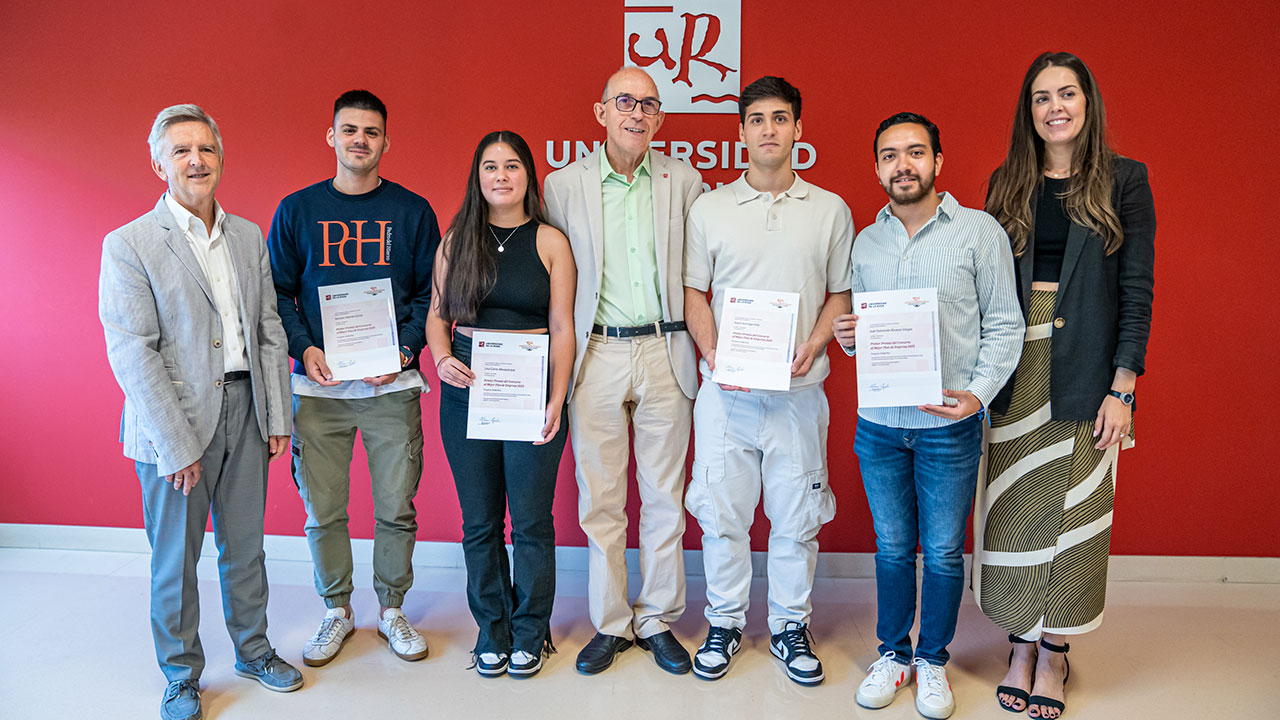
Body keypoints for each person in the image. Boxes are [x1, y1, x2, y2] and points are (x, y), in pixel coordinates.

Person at [100, 104, 303, 720]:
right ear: (158, 161)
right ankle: (181, 675)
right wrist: (176, 442)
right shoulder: (129, 244)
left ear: (221, 158)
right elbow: (133, 353)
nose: (196, 160)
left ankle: (253, 650)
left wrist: (277, 416)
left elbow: (269, 328)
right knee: (175, 560)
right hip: (175, 423)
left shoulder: (246, 236)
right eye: (182, 150)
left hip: (247, 410)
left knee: (246, 548)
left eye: (207, 149)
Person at [976, 51, 1156, 719]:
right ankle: (1019, 644)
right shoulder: (1008, 182)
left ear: (1088, 102)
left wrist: (1124, 385)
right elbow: (985, 287)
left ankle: (1054, 654)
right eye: (1041, 97)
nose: (1055, 106)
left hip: (1088, 367)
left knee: (1077, 516)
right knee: (1016, 514)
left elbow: (1137, 289)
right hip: (1015, 369)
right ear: (1028, 112)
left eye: (1067, 93)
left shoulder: (1126, 181)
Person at [834, 112, 1024, 719]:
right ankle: (894, 654)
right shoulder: (866, 241)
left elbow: (1004, 325)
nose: (903, 165)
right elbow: (867, 335)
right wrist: (848, 336)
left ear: (939, 162)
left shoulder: (978, 233)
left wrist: (977, 395)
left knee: (942, 552)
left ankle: (934, 661)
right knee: (892, 548)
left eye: (916, 153)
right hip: (881, 425)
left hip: (949, 426)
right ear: (878, 169)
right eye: (890, 156)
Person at [682, 76, 850, 685]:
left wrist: (815, 341)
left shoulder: (830, 209)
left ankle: (788, 625)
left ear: (798, 129)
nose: (769, 130)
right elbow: (694, 292)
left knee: (795, 517)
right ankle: (723, 621)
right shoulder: (711, 208)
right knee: (722, 515)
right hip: (725, 396)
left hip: (799, 396)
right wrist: (716, 352)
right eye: (757, 120)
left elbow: (840, 294)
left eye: (781, 119)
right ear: (743, 131)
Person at [268, 90, 440, 666]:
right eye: (349, 130)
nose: (359, 140)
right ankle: (336, 610)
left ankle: (392, 608)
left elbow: (428, 296)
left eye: (371, 132)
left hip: (390, 387)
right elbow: (278, 295)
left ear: (386, 141)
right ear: (331, 137)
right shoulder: (297, 210)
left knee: (396, 506)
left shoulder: (413, 212)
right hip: (319, 390)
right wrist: (305, 346)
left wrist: (406, 349)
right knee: (324, 509)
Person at [543, 66, 703, 676]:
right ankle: (611, 623)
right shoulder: (563, 186)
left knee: (666, 495)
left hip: (667, 350)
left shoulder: (684, 181)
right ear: (601, 111)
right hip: (598, 354)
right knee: (601, 500)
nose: (637, 113)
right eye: (625, 102)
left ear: (660, 120)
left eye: (650, 106)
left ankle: (657, 618)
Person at [425, 131, 576, 678]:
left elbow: (562, 327)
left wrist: (558, 398)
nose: (501, 176)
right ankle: (492, 626)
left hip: (533, 387)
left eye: (512, 166)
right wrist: (441, 359)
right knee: (480, 521)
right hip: (467, 389)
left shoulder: (551, 242)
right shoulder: (456, 239)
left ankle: (531, 631)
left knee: (532, 520)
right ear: (478, 177)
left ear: (528, 176)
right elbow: (438, 316)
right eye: (490, 167)